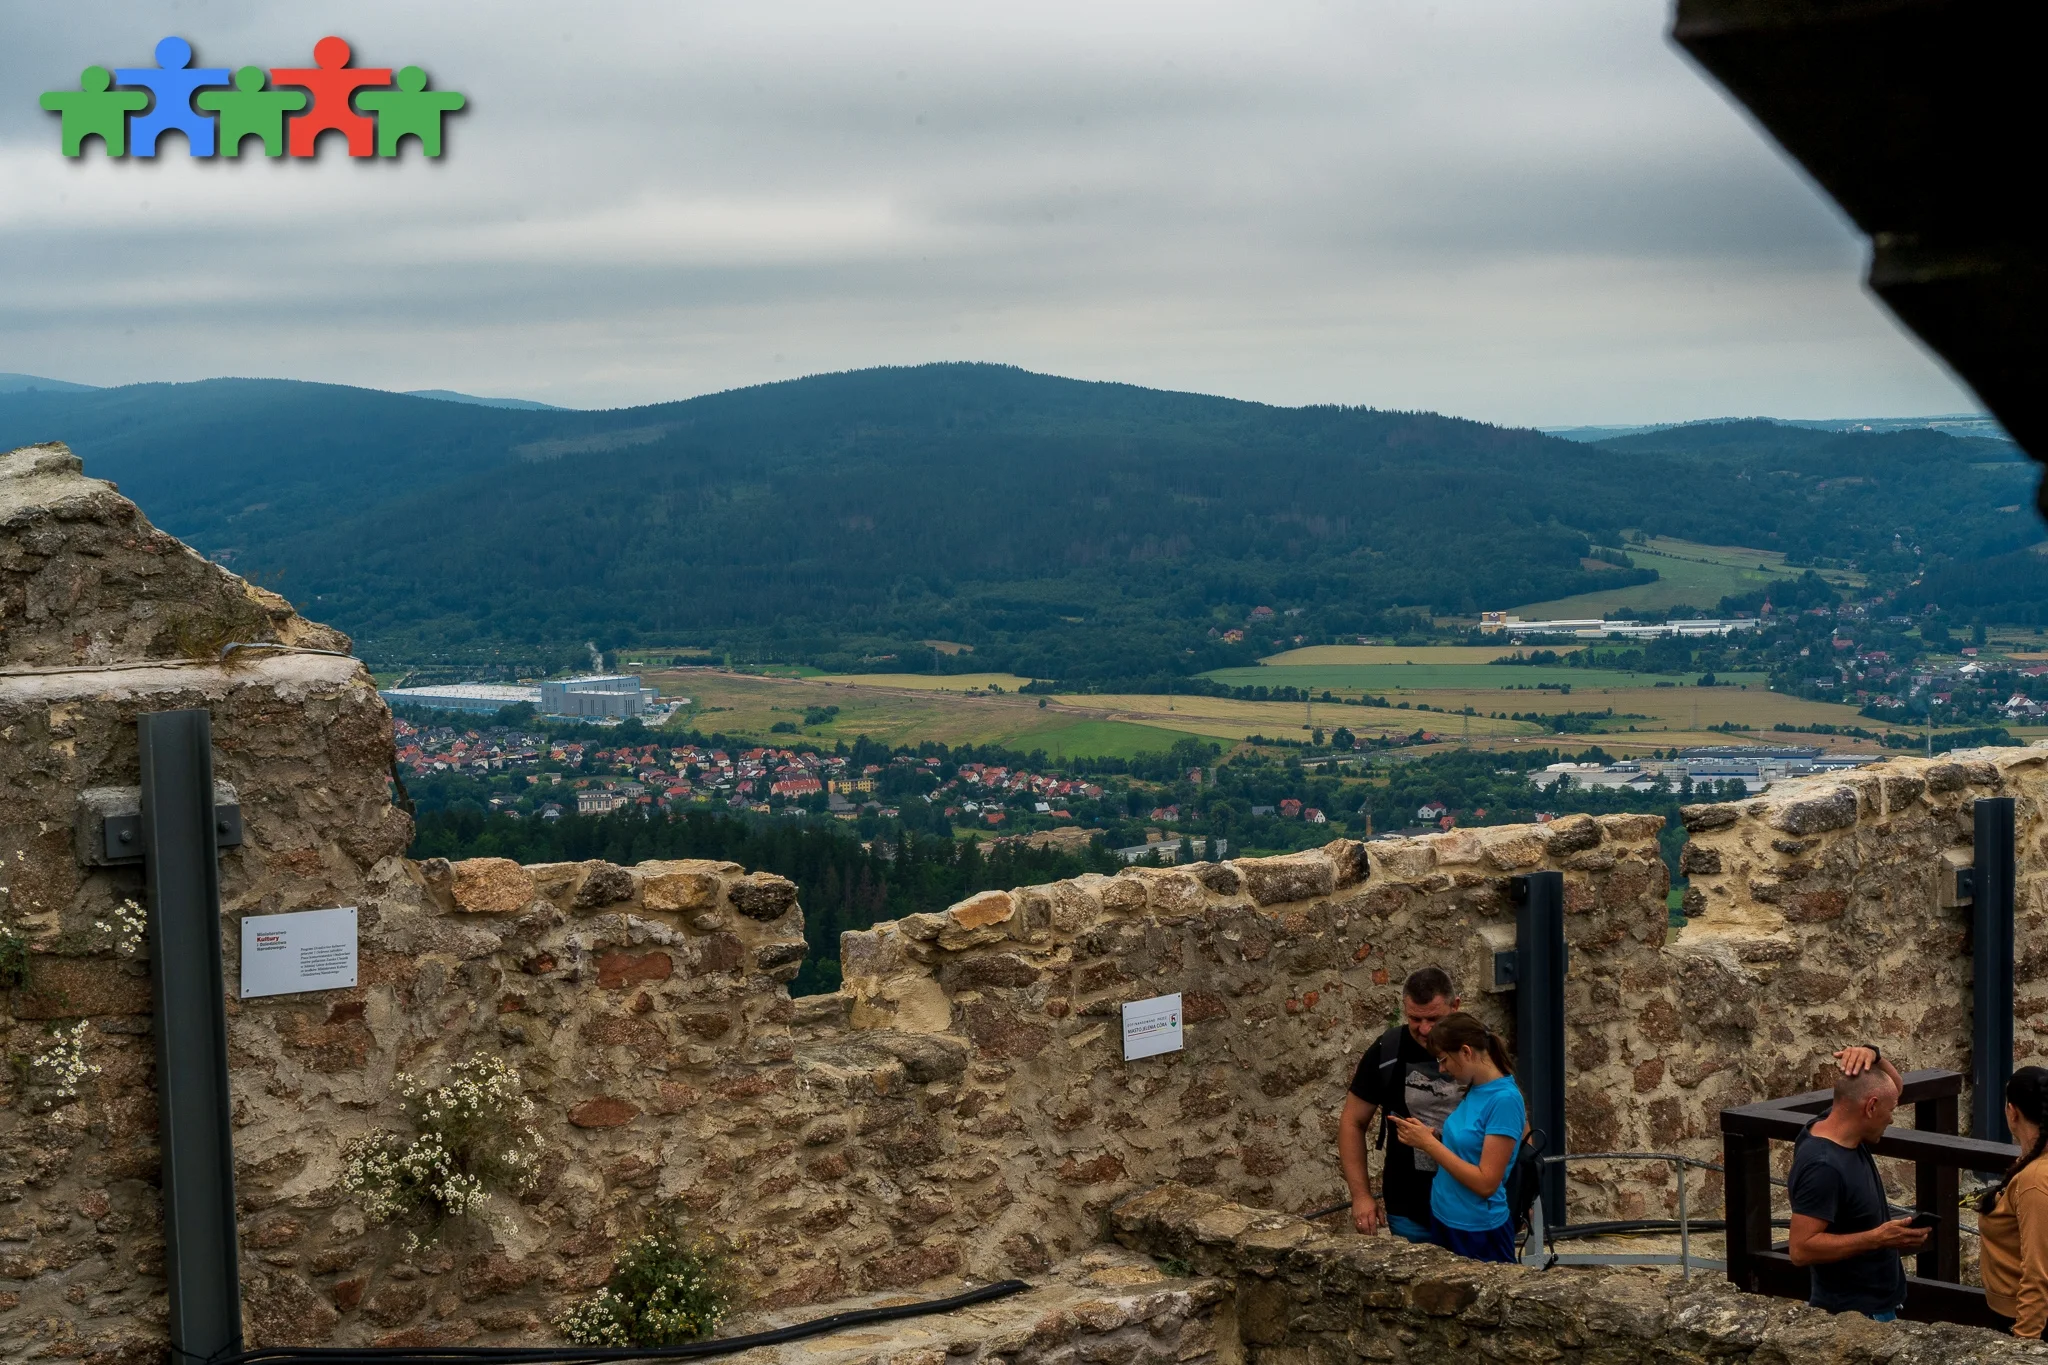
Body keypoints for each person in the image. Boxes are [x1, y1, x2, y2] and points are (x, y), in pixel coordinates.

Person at [1786, 1045, 1929, 1320]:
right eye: (1889, 1111)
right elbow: (1800, 1250)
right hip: (1853, 1315)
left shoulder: (1835, 1120)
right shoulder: (1823, 1166)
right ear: (1871, 1106)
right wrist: (1877, 1239)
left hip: (1876, 1305)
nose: (1891, 1118)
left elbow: (1893, 1088)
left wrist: (1874, 1054)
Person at [1387, 1011, 1526, 1263]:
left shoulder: (1504, 1100)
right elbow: (1467, 1146)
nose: (1441, 1069)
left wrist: (1428, 1144)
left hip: (1477, 1230)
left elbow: (1486, 1183)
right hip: (1444, 1217)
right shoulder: (1477, 1087)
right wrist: (1432, 1137)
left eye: (1443, 1060)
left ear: (1466, 1052)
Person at [1338, 967, 1466, 1243]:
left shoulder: (1479, 1047)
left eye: (1434, 1018)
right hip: (1409, 1208)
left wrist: (1521, 1187)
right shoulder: (1388, 1050)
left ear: (1455, 1006)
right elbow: (1352, 1121)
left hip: (1474, 1207)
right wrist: (1360, 1196)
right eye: (1415, 1019)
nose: (1424, 1029)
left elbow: (1510, 1113)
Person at [1978, 1066, 2048, 1337]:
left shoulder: (2035, 1181)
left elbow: (2038, 1273)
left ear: (2012, 1111)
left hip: (2026, 1321)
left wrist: (2022, 1345)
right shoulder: (2031, 1167)